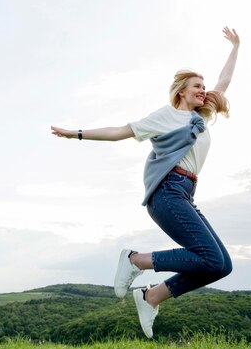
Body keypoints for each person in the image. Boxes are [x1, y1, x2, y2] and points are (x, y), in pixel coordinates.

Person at [51, 27, 240, 338]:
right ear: (182, 90)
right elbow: (120, 131)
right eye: (197, 86)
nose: (204, 90)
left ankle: (152, 296)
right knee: (208, 256)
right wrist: (77, 133)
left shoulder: (200, 117)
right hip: (167, 192)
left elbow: (225, 82)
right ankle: (135, 260)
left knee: (221, 266)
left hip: (186, 193)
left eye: (204, 86)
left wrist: (235, 47)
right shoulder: (164, 117)